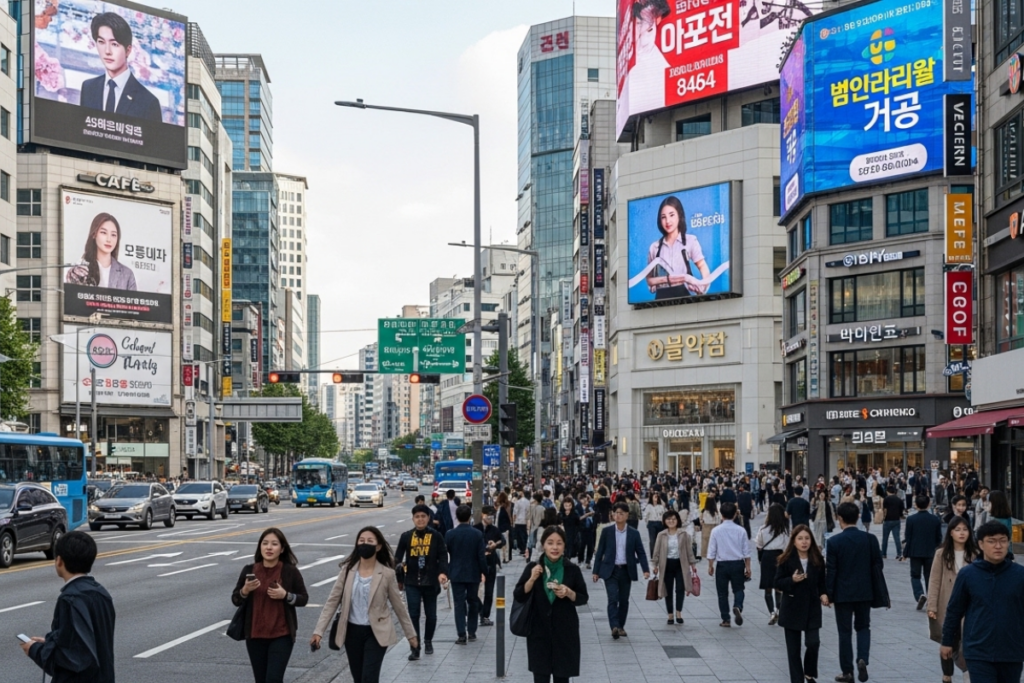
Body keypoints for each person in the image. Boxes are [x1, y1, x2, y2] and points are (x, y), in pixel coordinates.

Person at [311, 527, 417, 683]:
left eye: (369, 541)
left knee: (369, 677)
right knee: (358, 678)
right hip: (352, 633)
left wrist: (411, 635)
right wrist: (318, 631)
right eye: (361, 541)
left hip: (376, 633)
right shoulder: (347, 571)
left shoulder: (387, 574)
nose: (364, 544)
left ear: (378, 546)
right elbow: (332, 601)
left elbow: (399, 606)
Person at [20, 531, 116, 683]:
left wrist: (34, 649)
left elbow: (72, 659)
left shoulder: (70, 599)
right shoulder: (101, 593)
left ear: (59, 561)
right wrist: (49, 643)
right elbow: (86, 641)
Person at [942, 521, 1024, 683]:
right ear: (980, 544)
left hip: (1012, 650)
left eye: (1002, 540)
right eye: (992, 541)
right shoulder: (968, 575)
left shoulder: (1019, 575)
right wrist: (947, 642)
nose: (998, 546)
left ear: (1008, 543)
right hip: (978, 650)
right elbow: (954, 610)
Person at [232, 528, 309, 683]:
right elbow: (236, 599)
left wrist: (286, 595)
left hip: (281, 635)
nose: (269, 547)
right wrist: (245, 590)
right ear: (260, 547)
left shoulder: (289, 571)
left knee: (273, 679)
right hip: (254, 636)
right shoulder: (249, 570)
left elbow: (303, 598)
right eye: (265, 543)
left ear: (282, 549)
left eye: (274, 544)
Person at [514, 526, 589, 683]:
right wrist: (532, 579)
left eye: (559, 543)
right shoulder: (533, 568)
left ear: (564, 546)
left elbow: (583, 597)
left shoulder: (572, 570)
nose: (555, 547)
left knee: (562, 677)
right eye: (550, 543)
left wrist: (569, 592)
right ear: (543, 545)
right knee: (540, 676)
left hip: (565, 632)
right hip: (539, 632)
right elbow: (519, 595)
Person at [826, 502, 883, 683]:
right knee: (863, 626)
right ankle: (862, 658)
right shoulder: (870, 539)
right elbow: (878, 565)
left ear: (839, 518)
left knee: (844, 632)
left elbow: (831, 570)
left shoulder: (834, 542)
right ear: (858, 516)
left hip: (842, 593)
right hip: (865, 591)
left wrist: (828, 593)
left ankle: (847, 671)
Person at [79, 12, 162, 121]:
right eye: (101, 42)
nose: (107, 51)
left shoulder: (148, 102)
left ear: (128, 50)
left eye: (114, 44)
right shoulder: (88, 88)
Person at [926, 516, 978, 683]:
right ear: (950, 532)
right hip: (946, 602)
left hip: (969, 604)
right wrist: (932, 605)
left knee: (966, 639)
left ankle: (966, 671)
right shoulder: (941, 554)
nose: (961, 533)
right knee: (947, 637)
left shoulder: (975, 554)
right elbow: (934, 580)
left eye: (964, 529)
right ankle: (947, 673)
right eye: (957, 530)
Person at [394, 504, 449, 659]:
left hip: (431, 582)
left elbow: (443, 556)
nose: (420, 519)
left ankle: (428, 640)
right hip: (411, 582)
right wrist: (397, 577)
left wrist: (443, 573)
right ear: (413, 519)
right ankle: (415, 646)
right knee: (413, 615)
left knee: (431, 615)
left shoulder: (436, 536)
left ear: (428, 518)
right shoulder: (406, 536)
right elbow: (397, 558)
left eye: (423, 516)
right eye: (417, 517)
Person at [775, 525, 829, 683]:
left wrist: (824, 594)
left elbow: (822, 582)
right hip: (792, 608)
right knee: (793, 651)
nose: (804, 542)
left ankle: (809, 672)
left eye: (807, 538)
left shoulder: (817, 560)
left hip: (812, 608)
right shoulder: (785, 560)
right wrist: (791, 580)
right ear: (794, 541)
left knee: (813, 643)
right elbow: (777, 582)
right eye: (800, 539)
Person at [592, 501, 650, 639]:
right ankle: (614, 626)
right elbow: (600, 552)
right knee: (612, 598)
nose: (618, 516)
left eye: (621, 513)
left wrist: (645, 569)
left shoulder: (634, 533)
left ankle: (620, 626)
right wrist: (596, 571)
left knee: (624, 600)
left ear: (627, 515)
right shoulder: (607, 532)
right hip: (610, 570)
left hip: (626, 570)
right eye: (616, 513)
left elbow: (640, 552)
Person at [645, 195, 713, 298]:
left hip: (684, 299)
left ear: (679, 215)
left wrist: (702, 287)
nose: (667, 221)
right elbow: (649, 278)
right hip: (661, 301)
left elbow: (702, 266)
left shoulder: (690, 241)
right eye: (663, 217)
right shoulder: (654, 247)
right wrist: (656, 284)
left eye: (671, 215)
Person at [445, 505, 487, 644]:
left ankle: (461, 634)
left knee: (459, 603)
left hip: (456, 572)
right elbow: (481, 556)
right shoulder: (477, 534)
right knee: (473, 601)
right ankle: (472, 631)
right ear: (470, 516)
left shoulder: (450, 534)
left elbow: (448, 554)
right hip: (473, 572)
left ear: (457, 517)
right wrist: (484, 571)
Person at [65, 212, 138, 291]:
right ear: (94, 234)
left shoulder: (127, 274)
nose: (109, 239)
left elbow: (132, 303)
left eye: (113, 235)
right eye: (103, 233)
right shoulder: (79, 271)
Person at [707, 501, 751, 627]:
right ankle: (738, 605)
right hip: (737, 563)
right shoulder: (741, 530)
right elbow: (746, 551)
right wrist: (748, 568)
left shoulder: (716, 530)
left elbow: (712, 550)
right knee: (739, 589)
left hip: (722, 564)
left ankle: (726, 619)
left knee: (722, 593)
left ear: (721, 515)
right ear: (735, 515)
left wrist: (710, 566)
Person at [651, 509, 699, 624]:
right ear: (664, 521)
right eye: (668, 519)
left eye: (673, 519)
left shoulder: (684, 534)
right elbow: (656, 551)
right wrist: (655, 565)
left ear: (677, 520)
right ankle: (670, 614)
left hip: (680, 564)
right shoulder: (661, 535)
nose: (671, 521)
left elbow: (689, 551)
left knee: (680, 589)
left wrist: (692, 564)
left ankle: (678, 612)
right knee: (668, 590)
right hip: (666, 564)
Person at [904, 494, 942, 611]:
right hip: (930, 551)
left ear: (915, 505)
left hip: (915, 551)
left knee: (915, 575)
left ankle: (919, 594)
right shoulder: (935, 519)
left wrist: (905, 553)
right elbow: (938, 537)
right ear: (929, 504)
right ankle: (931, 598)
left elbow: (908, 537)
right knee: (929, 576)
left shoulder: (911, 519)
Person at [756, 503, 790, 625]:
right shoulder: (784, 531)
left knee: (767, 587)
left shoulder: (763, 529)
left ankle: (771, 612)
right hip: (780, 557)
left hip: (766, 558)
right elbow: (787, 547)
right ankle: (779, 611)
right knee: (779, 587)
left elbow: (759, 545)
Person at [473, 505, 505, 627]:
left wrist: (494, 545)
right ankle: (478, 610)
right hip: (477, 563)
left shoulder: (495, 530)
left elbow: (503, 541)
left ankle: (485, 615)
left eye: (492, 516)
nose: (491, 518)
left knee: (489, 591)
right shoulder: (475, 528)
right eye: (488, 515)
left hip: (490, 562)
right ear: (483, 515)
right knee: (473, 591)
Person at [881, 485, 905, 560]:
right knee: (897, 538)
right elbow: (901, 512)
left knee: (885, 538)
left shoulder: (886, 499)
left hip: (888, 520)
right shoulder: (899, 500)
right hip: (896, 520)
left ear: (888, 491)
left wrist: (883, 518)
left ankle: (884, 554)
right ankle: (899, 553)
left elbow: (885, 510)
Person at [513, 491, 531, 558]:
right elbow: (528, 512)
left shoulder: (517, 502)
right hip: (525, 521)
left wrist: (513, 521)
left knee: (519, 535)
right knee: (524, 534)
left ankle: (522, 548)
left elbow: (515, 512)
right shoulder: (528, 502)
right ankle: (524, 547)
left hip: (518, 521)